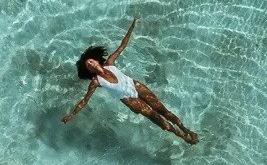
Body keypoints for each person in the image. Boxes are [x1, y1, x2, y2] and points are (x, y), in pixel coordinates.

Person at [63, 17, 198, 145]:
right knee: (157, 119)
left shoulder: (110, 62)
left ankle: (186, 130)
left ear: (96, 60)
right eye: (88, 65)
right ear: (89, 71)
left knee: (163, 110)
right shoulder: (96, 82)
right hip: (130, 100)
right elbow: (85, 100)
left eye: (91, 61)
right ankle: (182, 136)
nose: (91, 64)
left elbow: (122, 46)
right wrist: (72, 115)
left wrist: (132, 26)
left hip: (136, 86)